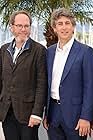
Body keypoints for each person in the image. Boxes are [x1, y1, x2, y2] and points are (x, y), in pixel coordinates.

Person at [43, 8, 93, 140]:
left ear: (73, 27)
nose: (64, 27)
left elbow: (91, 88)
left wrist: (86, 117)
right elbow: (48, 84)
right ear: (54, 28)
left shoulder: (85, 52)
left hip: (76, 116)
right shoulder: (49, 52)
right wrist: (46, 113)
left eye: (67, 23)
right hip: (53, 114)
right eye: (60, 24)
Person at [0, 10, 47, 140]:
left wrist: (37, 113)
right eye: (19, 26)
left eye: (26, 26)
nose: (23, 29)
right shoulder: (4, 50)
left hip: (28, 114)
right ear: (12, 28)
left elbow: (42, 83)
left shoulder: (39, 50)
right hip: (7, 112)